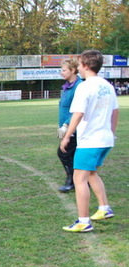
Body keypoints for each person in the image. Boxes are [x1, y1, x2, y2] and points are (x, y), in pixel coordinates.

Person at [60, 50, 119, 233]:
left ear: (85, 66)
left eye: (78, 65)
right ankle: (103, 208)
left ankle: (83, 221)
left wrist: (67, 135)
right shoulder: (107, 85)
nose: (77, 68)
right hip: (105, 139)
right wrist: (111, 132)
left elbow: (78, 114)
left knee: (79, 179)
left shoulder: (84, 87)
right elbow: (115, 111)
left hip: (90, 140)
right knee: (91, 173)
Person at [56, 58, 83, 193]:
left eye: (64, 70)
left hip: (75, 127)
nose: (61, 73)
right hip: (68, 126)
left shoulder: (79, 86)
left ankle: (73, 180)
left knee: (64, 153)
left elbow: (78, 110)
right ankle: (81, 180)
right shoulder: (68, 86)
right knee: (71, 154)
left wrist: (66, 125)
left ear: (73, 70)